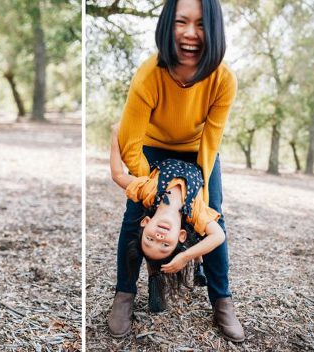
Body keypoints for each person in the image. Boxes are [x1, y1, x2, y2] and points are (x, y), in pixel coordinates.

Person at [106, 0, 245, 343]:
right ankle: (124, 293)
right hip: (151, 147)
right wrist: (150, 189)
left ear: (213, 29)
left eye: (200, 24)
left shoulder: (223, 80)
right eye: (181, 22)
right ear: (168, 25)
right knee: (135, 212)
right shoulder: (149, 73)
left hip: (198, 152)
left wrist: (201, 204)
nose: (189, 33)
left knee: (216, 217)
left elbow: (211, 142)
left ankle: (222, 299)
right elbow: (131, 142)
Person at [109, 128, 225, 312]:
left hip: (166, 141)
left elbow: (117, 175)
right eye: (164, 245)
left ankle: (160, 274)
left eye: (150, 239)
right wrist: (185, 257)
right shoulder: (194, 210)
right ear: (180, 235)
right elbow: (218, 236)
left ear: (145, 223)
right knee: (201, 232)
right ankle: (160, 278)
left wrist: (115, 136)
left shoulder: (149, 192)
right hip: (198, 148)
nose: (159, 237)